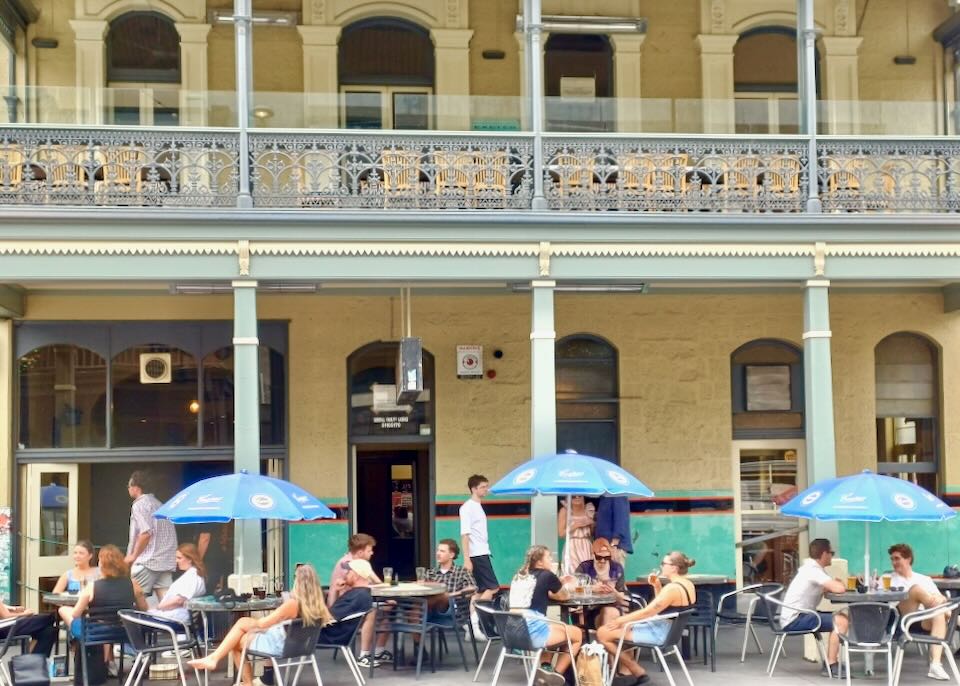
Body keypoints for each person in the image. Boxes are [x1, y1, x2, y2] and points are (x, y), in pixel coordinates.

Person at [188, 564, 331, 686]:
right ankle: (215, 660)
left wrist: (263, 622)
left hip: (280, 646)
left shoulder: (292, 604)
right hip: (300, 647)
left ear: (298, 582)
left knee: (237, 639)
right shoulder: (318, 605)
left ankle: (226, 667)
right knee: (241, 629)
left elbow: (262, 624)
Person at [597, 551, 697, 686]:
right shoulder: (688, 584)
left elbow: (648, 612)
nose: (661, 566)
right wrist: (657, 586)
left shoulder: (672, 588)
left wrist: (620, 620)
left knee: (603, 633)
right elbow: (664, 607)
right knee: (618, 629)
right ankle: (635, 672)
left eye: (664, 563)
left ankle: (638, 672)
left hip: (659, 633)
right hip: (670, 631)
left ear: (674, 568)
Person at [60, 544, 148, 675]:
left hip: (96, 634)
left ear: (101, 564)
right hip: (125, 632)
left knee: (64, 610)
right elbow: (144, 608)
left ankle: (77, 644)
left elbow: (76, 613)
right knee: (105, 622)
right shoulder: (133, 584)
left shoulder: (92, 586)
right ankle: (107, 661)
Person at [777, 538, 848, 677]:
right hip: (795, 619)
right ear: (824, 554)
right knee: (841, 622)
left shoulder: (812, 570)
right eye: (831, 552)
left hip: (800, 615)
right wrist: (839, 584)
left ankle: (831, 663)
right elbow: (839, 589)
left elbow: (827, 587)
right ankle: (832, 665)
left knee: (842, 617)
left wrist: (832, 584)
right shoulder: (813, 571)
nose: (832, 556)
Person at [514, 545, 582, 686]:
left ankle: (546, 667)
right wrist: (561, 584)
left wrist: (557, 584)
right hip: (533, 629)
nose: (551, 560)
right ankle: (556, 676)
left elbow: (538, 590)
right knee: (577, 634)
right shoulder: (547, 575)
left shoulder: (520, 575)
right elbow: (564, 596)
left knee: (557, 630)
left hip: (513, 630)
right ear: (539, 562)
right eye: (549, 557)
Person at [888, 543, 952, 680]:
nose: (894, 562)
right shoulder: (887, 579)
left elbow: (941, 598)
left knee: (939, 613)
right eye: (892, 559)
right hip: (901, 620)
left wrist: (940, 599)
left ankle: (935, 665)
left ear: (908, 559)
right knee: (916, 590)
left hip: (923, 620)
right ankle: (954, 618)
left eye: (897, 558)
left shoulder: (925, 579)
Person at [326, 533, 390, 669]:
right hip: (347, 609)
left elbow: (372, 581)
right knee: (374, 611)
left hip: (352, 604)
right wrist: (330, 611)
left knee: (386, 611)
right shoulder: (347, 564)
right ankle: (365, 654)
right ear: (360, 552)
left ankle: (377, 651)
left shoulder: (359, 565)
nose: (372, 553)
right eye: (369, 550)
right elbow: (333, 591)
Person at [125, 470, 177, 600]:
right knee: (166, 602)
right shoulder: (159, 504)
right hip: (165, 560)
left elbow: (145, 533)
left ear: (136, 487)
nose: (128, 489)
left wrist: (133, 556)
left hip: (148, 561)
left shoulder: (139, 505)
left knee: (131, 598)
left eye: (129, 486)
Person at [460, 474, 499, 602]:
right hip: (477, 554)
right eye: (482, 487)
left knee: (480, 590)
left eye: (486, 486)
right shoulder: (467, 507)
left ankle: (474, 619)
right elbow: (465, 534)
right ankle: (479, 614)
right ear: (473, 489)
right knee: (493, 587)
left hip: (481, 552)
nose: (486, 489)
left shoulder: (478, 506)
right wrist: (467, 559)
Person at [319, 559, 376, 645]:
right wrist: (335, 590)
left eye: (349, 571)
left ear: (356, 575)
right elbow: (333, 611)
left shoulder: (356, 596)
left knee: (294, 629)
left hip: (328, 636)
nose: (345, 574)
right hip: (335, 633)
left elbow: (329, 617)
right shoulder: (361, 594)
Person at [575, 538, 628, 628]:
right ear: (593, 555)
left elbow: (622, 595)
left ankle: (608, 637)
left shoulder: (616, 568)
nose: (603, 561)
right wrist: (592, 589)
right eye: (599, 557)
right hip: (592, 608)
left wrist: (614, 593)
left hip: (613, 606)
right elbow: (575, 589)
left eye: (606, 558)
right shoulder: (584, 567)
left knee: (610, 612)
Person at [148, 543, 206, 625]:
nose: (176, 561)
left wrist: (159, 607)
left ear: (190, 559)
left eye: (179, 558)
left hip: (176, 617)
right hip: (175, 615)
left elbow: (179, 600)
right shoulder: (192, 575)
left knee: (138, 619)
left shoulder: (192, 577)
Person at [558, 495, 595, 574]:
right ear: (569, 498)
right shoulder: (565, 510)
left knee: (587, 572)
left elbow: (592, 533)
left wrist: (591, 524)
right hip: (572, 545)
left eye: (580, 496)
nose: (577, 498)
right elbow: (561, 534)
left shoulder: (588, 510)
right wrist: (576, 525)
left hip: (586, 545)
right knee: (573, 573)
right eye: (574, 496)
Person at [595, 496, 632, 564]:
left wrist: (613, 546)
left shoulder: (617, 494)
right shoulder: (605, 496)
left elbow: (621, 519)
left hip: (614, 547)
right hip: (605, 547)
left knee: (614, 572)